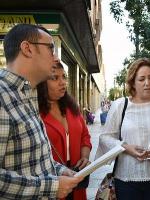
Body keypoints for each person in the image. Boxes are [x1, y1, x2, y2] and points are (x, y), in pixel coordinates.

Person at [0, 24, 83, 199]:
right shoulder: (2, 96)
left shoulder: (29, 93)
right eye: (51, 48)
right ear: (27, 49)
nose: (55, 57)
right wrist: (52, 186)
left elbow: (34, 161)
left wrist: (60, 171)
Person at [96, 58, 150, 200]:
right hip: (126, 178)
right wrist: (126, 147)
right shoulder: (120, 105)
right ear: (132, 82)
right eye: (141, 79)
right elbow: (105, 137)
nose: (147, 83)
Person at [37, 62, 92, 200]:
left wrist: (85, 157)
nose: (63, 82)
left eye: (64, 77)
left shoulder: (72, 107)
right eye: (55, 78)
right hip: (53, 182)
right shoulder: (35, 113)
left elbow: (85, 136)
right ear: (42, 83)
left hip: (76, 175)